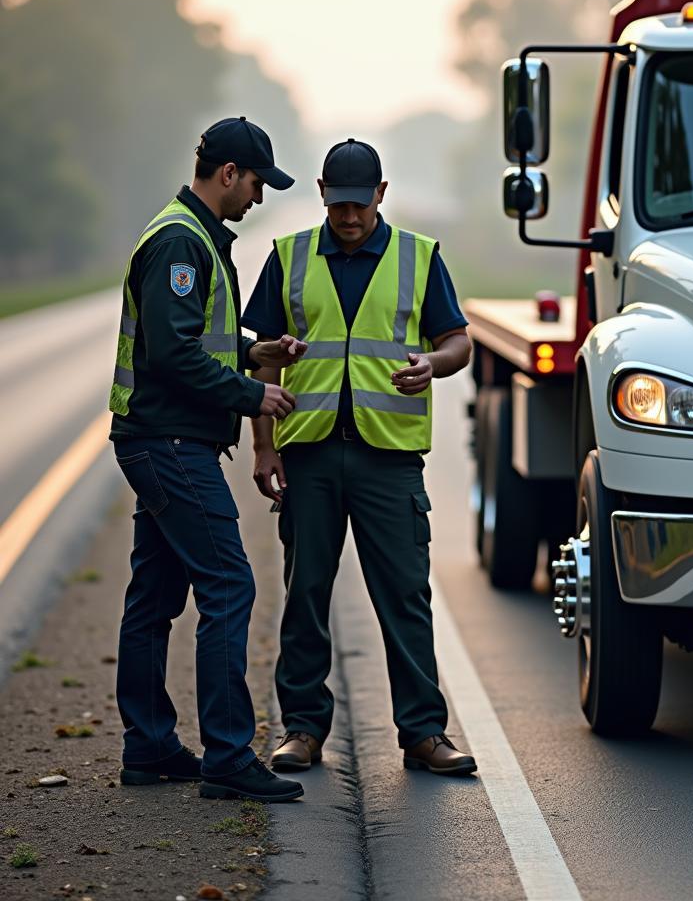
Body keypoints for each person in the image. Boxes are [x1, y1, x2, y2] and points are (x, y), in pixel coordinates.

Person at [242, 138, 476, 776]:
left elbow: (458, 341)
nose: (348, 217)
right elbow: (255, 355)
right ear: (321, 193)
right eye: (338, 204)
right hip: (309, 456)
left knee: (404, 596)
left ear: (381, 194)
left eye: (359, 204)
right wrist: (263, 447)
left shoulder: (418, 257)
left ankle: (425, 733)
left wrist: (434, 364)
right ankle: (302, 729)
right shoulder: (288, 257)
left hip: (388, 460)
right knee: (305, 594)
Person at [109, 116, 309, 802]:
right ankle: (227, 756)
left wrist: (257, 351)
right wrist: (253, 395)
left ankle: (151, 747)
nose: (258, 197)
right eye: (256, 183)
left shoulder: (192, 236)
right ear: (229, 174)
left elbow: (197, 341)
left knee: (156, 596)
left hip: (160, 438)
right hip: (169, 444)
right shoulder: (181, 244)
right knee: (229, 585)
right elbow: (172, 355)